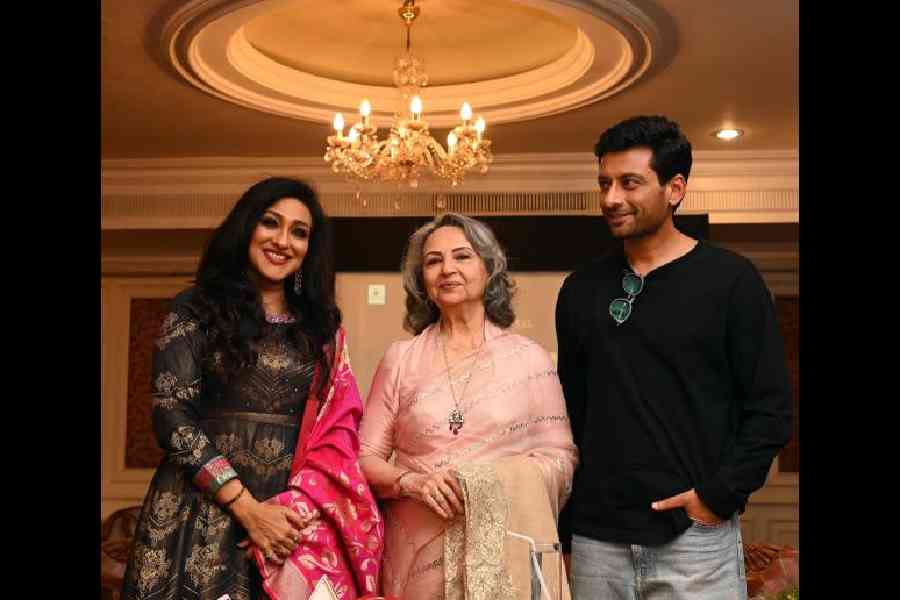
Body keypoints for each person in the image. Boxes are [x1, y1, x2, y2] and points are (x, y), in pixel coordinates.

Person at [555, 115, 793, 599]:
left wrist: (717, 498)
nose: (611, 198)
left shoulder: (731, 282)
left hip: (694, 540)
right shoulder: (580, 289)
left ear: (675, 188)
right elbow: (569, 413)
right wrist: (567, 525)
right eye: (604, 183)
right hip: (597, 539)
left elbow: (770, 410)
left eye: (630, 183)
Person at [121, 177, 383, 600]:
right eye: (270, 223)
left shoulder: (321, 328)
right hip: (199, 516)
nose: (283, 241)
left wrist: (292, 512)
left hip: (288, 523)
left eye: (299, 232)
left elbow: (333, 433)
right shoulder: (196, 308)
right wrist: (246, 508)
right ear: (246, 227)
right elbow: (172, 417)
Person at [358, 213, 578, 599]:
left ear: (488, 268)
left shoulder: (530, 360)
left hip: (507, 551)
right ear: (421, 281)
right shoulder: (401, 359)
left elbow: (560, 458)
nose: (447, 269)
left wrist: (486, 482)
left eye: (462, 256)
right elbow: (364, 457)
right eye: (432, 261)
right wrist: (413, 481)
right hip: (414, 557)